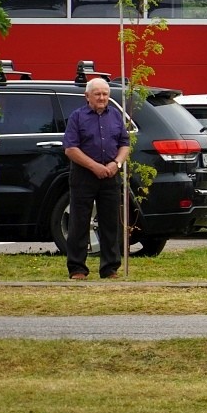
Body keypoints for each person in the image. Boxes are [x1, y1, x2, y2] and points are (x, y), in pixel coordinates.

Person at [62, 77, 130, 280]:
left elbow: (124, 143)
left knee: (111, 223)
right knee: (79, 222)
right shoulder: (77, 117)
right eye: (97, 94)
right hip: (84, 175)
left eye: (105, 94)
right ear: (87, 96)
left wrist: (116, 164)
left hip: (110, 175)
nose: (102, 98)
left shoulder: (116, 116)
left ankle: (110, 268)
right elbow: (70, 148)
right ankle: (77, 268)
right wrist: (94, 167)